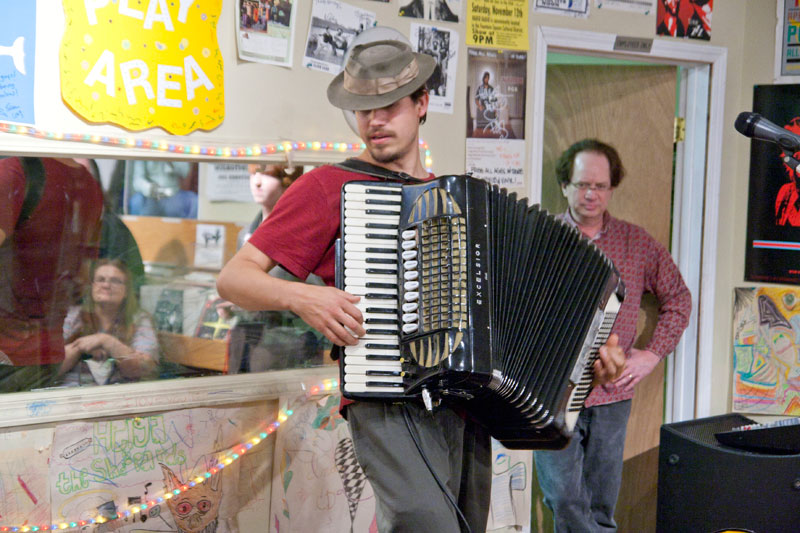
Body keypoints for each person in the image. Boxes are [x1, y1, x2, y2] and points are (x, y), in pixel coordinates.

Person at [218, 41, 626, 532]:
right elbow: (235, 278)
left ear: (422, 104)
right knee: (425, 524)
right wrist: (305, 295)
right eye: (362, 110)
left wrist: (586, 354)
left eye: (389, 106)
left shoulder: (455, 203)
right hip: (386, 401)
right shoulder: (330, 187)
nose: (374, 120)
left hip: (464, 408)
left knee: (466, 526)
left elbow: (512, 312)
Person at [534, 139, 692, 532]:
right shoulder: (541, 235)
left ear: (611, 188)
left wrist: (651, 355)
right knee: (563, 499)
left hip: (613, 394)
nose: (591, 194)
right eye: (582, 184)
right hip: (551, 391)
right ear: (565, 185)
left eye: (600, 186)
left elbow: (679, 298)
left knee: (602, 503)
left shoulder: (636, 243)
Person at [0, 157, 104, 392]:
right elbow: (84, 274)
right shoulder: (86, 183)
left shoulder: (14, 172)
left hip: (7, 350)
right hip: (46, 352)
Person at [58, 259, 159, 386]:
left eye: (115, 281)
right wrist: (80, 347)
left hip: (118, 397)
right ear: (92, 287)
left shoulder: (139, 319)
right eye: (100, 279)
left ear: (126, 291)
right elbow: (52, 368)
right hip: (71, 396)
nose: (106, 285)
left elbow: (143, 369)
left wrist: (106, 341)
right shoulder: (73, 316)